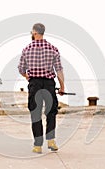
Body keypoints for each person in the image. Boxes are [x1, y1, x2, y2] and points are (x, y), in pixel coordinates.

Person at [18, 23, 65, 153]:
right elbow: (59, 70)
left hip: (35, 84)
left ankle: (38, 145)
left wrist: (27, 76)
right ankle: (51, 140)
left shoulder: (26, 49)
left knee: (35, 113)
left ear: (34, 32)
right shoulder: (53, 49)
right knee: (51, 112)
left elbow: (21, 69)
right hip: (49, 84)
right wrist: (62, 87)